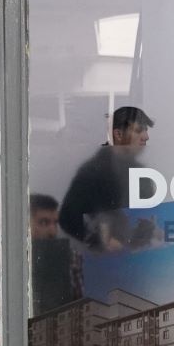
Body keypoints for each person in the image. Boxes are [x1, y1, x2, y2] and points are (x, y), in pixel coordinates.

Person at [59, 105, 153, 250]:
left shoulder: (141, 174)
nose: (145, 137)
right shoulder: (93, 172)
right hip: (104, 260)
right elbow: (67, 217)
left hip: (136, 257)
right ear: (118, 134)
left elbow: (147, 215)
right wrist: (100, 239)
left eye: (146, 130)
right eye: (138, 130)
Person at [29, 193, 78, 315]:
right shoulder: (14, 261)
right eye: (44, 222)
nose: (53, 231)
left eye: (55, 223)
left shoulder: (70, 258)